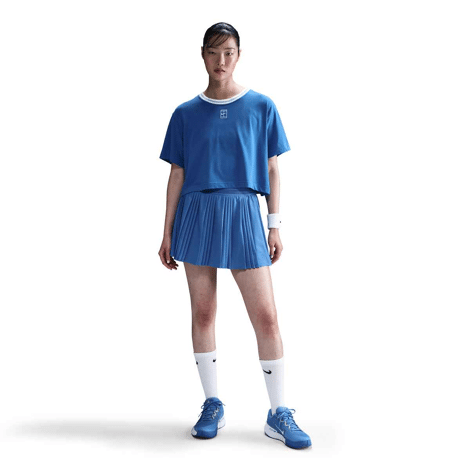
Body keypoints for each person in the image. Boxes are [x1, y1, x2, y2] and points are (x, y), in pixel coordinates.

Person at [158, 22, 311, 450]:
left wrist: (274, 224)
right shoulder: (185, 113)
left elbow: (273, 168)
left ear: (238, 55)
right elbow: (177, 172)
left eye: (228, 52)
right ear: (202, 55)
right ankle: (212, 404)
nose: (221, 60)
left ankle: (279, 412)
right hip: (196, 212)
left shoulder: (261, 106)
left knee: (267, 317)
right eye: (213, 51)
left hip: (244, 211)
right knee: (204, 314)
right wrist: (166, 231)